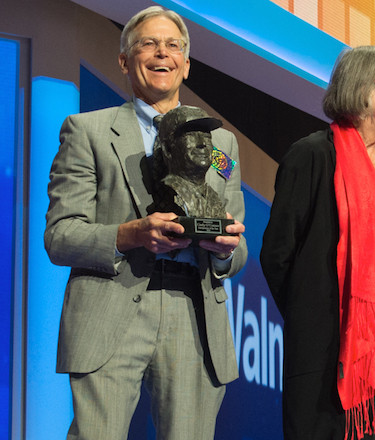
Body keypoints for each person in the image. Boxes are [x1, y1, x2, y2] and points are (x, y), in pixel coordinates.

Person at [44, 6, 246, 439]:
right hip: (111, 308)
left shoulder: (219, 145)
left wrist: (226, 249)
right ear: (124, 60)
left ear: (186, 64)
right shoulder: (87, 131)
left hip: (194, 313)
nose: (162, 53)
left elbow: (239, 243)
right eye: (148, 44)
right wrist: (129, 234)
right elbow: (60, 236)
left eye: (173, 46)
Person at [260, 45, 375, 440]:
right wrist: (317, 318)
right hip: (328, 359)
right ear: (364, 90)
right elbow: (278, 254)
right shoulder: (312, 156)